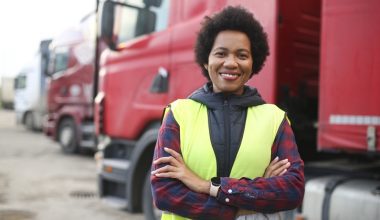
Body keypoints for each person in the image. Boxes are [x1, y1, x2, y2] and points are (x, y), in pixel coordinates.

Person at [151, 5, 304, 220]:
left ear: (253, 62)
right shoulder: (178, 114)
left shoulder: (275, 119)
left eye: (242, 55)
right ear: (206, 60)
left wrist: (208, 186)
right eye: (221, 53)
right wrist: (246, 206)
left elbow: (292, 191)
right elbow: (164, 194)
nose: (231, 63)